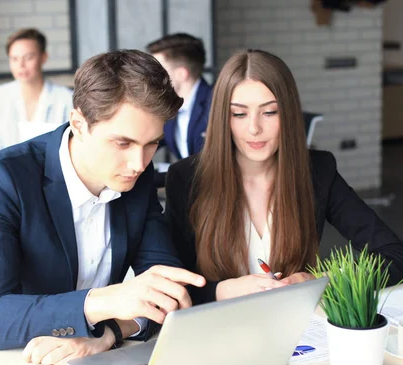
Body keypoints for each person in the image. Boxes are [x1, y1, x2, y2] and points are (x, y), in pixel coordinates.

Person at [0, 49, 206, 365]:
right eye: (122, 142)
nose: (138, 163)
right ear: (79, 123)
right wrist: (105, 302)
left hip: (80, 358)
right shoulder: (2, 177)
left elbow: (166, 289)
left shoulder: (136, 175)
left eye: (152, 144)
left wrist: (108, 333)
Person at [164, 49, 403, 305]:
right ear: (224, 117)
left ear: (288, 114)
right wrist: (224, 290)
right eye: (239, 114)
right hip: (218, 330)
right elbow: (172, 286)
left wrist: (319, 280)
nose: (254, 128)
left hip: (297, 328)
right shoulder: (187, 178)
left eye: (270, 112)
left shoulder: (318, 171)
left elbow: (394, 256)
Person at [0, 28, 74, 156]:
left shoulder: (66, 98)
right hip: (7, 172)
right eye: (14, 59)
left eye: (28, 57)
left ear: (43, 57)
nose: (21, 65)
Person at [146, 33, 213, 161]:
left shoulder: (217, 104)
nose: (151, 78)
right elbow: (147, 140)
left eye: (157, 72)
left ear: (181, 74)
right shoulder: (168, 109)